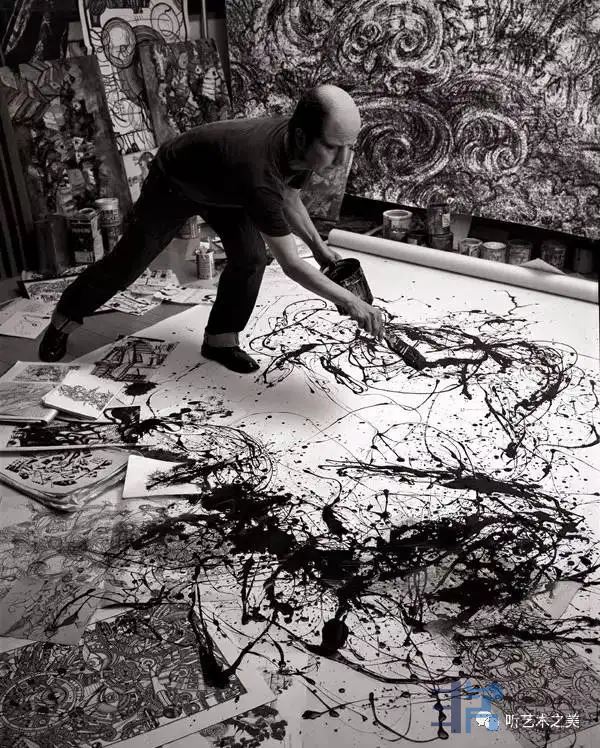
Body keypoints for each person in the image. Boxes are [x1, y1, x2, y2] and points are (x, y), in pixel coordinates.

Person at [39, 84, 384, 373]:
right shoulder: (260, 173)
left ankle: (220, 340)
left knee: (251, 258)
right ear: (301, 135)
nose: (342, 160)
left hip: (228, 186)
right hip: (176, 181)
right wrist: (351, 301)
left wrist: (320, 250)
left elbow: (290, 197)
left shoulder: (299, 149)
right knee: (127, 263)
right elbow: (292, 264)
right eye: (333, 147)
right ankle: (63, 320)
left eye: (348, 147)